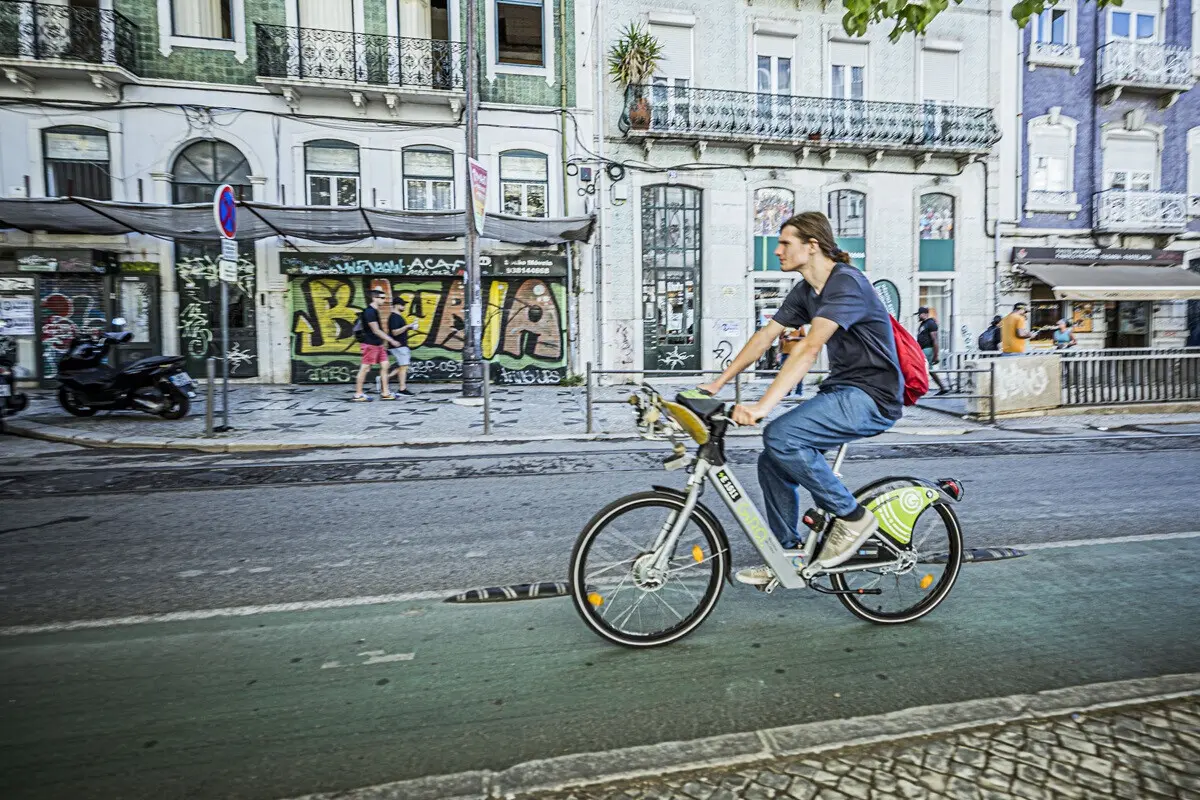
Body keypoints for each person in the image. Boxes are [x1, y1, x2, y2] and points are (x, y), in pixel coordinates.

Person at [698, 211, 903, 583]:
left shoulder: (847, 283)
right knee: (771, 459)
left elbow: (809, 348)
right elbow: (765, 338)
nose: (776, 250)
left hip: (873, 396)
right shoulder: (806, 291)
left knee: (780, 436)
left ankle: (852, 517)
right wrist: (718, 382)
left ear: (812, 246)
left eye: (784, 243)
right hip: (843, 390)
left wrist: (763, 407)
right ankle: (787, 556)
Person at [353, 290, 399, 402]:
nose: (384, 300)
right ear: (374, 298)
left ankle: (385, 393)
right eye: (382, 297)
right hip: (370, 344)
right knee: (365, 368)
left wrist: (383, 343)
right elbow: (376, 330)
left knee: (385, 365)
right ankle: (358, 394)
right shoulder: (369, 312)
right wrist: (391, 340)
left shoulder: (375, 311)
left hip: (378, 344)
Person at [385, 295, 420, 396]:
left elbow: (399, 330)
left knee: (402, 366)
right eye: (402, 305)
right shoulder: (394, 317)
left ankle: (384, 378)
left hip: (400, 346)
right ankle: (402, 389)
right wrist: (407, 326)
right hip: (398, 346)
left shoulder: (397, 317)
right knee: (403, 367)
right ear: (396, 305)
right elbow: (395, 332)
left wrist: (409, 328)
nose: (404, 307)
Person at [915, 307, 949, 396]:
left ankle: (920, 388)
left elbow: (935, 339)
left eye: (919, 314)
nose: (918, 316)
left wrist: (936, 355)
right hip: (923, 349)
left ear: (925, 314)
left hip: (928, 349)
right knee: (928, 369)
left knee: (923, 368)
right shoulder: (923, 324)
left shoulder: (930, 323)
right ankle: (942, 387)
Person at [778, 327, 806, 396]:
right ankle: (787, 392)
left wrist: (793, 338)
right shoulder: (783, 327)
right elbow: (780, 339)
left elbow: (804, 338)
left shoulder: (800, 326)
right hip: (785, 354)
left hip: (796, 353)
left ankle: (798, 391)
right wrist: (779, 352)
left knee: (798, 372)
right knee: (785, 374)